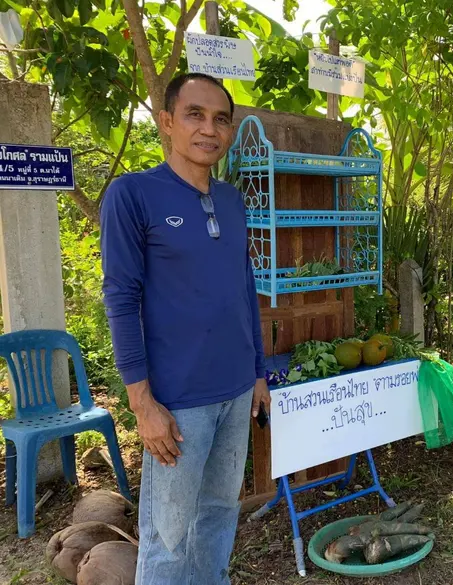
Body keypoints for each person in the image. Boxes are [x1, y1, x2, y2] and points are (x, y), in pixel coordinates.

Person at [100, 72, 270, 585]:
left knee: (219, 514)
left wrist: (258, 372)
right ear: (167, 121)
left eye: (221, 119)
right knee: (167, 538)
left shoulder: (234, 201)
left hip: (237, 391)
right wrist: (141, 402)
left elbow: (245, 290)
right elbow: (121, 299)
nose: (209, 129)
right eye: (195, 115)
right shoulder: (133, 196)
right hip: (177, 403)